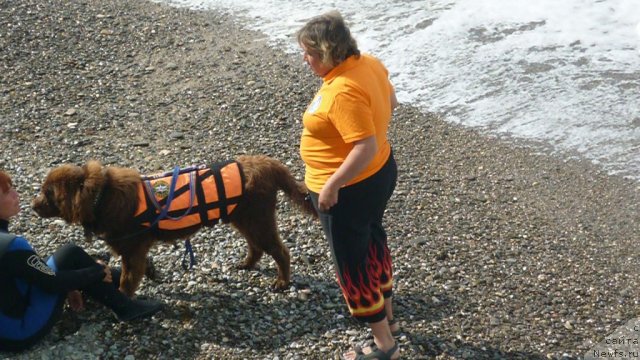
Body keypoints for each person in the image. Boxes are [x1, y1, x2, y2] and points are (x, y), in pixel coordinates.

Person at [296, 11, 400, 360]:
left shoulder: (341, 91)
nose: (305, 59)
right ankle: (390, 318)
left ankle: (384, 344)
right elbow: (392, 101)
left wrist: (332, 186)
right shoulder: (368, 64)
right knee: (372, 239)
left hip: (350, 188)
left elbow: (363, 145)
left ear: (326, 52)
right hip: (379, 173)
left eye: (309, 53)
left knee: (352, 263)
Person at [0, 170, 163, 352]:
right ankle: (126, 307)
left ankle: (123, 273)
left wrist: (75, 281)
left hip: (8, 314)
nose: (16, 194)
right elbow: (51, 283)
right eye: (7, 192)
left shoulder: (6, 244)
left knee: (69, 258)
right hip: (17, 332)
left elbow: (25, 271)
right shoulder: (11, 246)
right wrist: (96, 272)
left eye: (12, 188)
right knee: (73, 255)